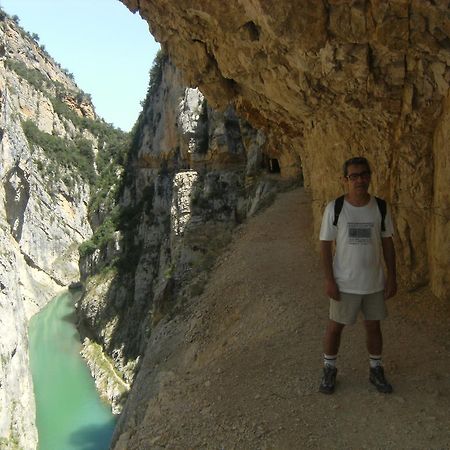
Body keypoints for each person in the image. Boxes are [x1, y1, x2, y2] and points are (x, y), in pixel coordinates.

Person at [318, 156, 397, 394]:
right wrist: (330, 280)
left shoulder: (381, 207)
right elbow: (324, 245)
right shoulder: (336, 208)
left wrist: (392, 277)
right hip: (345, 283)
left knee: (373, 327)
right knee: (335, 327)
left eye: (364, 174)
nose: (360, 180)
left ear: (370, 177)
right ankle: (329, 369)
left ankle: (375, 369)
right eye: (354, 176)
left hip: (373, 282)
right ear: (345, 180)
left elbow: (387, 243)